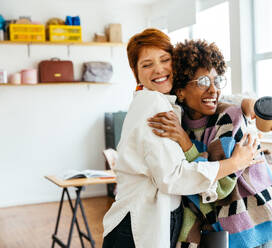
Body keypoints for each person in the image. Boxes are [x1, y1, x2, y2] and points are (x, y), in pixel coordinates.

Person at [102, 28, 260, 248]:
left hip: (150, 219)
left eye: (165, 60)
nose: (158, 69)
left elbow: (209, 94)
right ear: (135, 71)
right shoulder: (153, 105)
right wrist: (234, 163)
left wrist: (246, 102)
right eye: (147, 64)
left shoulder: (166, 101)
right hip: (136, 226)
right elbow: (172, 177)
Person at [148, 39, 272, 248]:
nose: (214, 89)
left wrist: (185, 142)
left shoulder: (228, 117)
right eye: (204, 82)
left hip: (261, 228)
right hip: (225, 233)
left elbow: (220, 185)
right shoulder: (177, 124)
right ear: (180, 91)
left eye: (218, 80)